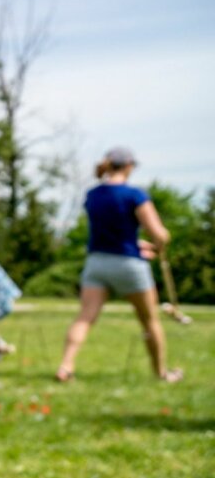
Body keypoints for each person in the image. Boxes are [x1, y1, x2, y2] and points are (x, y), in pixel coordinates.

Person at [55, 148, 182, 383]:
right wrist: (160, 242)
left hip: (96, 263)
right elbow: (159, 234)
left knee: (84, 318)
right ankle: (161, 373)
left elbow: (109, 232)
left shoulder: (93, 195)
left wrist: (136, 243)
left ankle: (65, 366)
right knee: (149, 320)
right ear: (128, 166)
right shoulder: (134, 195)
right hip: (128, 265)